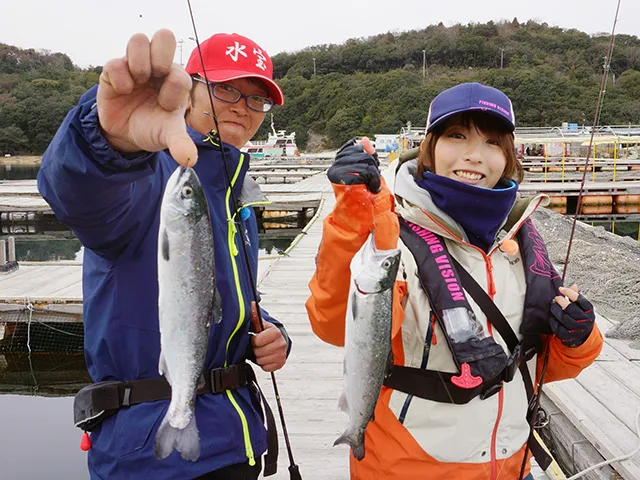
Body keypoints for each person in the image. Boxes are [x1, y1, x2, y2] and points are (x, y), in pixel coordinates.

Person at [306, 82, 603, 480]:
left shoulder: (520, 240)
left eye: (492, 142)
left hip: (513, 466)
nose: (474, 155)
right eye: (457, 136)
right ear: (429, 147)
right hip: (409, 469)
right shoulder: (391, 236)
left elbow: (538, 366)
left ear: (508, 156)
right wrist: (352, 213)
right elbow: (336, 325)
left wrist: (579, 338)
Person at [38, 29, 291, 480]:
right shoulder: (145, 174)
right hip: (147, 454)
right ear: (189, 90)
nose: (242, 106)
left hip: (235, 443)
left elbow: (221, 298)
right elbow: (76, 193)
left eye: (257, 99)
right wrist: (105, 139)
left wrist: (268, 331)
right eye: (226, 88)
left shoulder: (238, 194)